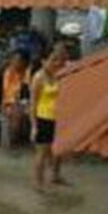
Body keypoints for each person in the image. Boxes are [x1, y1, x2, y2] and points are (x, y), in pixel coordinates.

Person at [29, 44, 67, 190]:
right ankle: (38, 182)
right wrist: (33, 126)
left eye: (58, 60)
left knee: (59, 150)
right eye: (53, 60)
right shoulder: (38, 77)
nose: (56, 63)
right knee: (42, 153)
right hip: (43, 118)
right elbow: (33, 104)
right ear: (43, 61)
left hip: (59, 117)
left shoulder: (60, 74)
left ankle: (55, 175)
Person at [0, 49, 31, 148]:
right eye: (14, 60)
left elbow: (27, 88)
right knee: (16, 114)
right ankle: (14, 139)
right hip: (10, 102)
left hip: (25, 101)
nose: (15, 62)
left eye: (18, 60)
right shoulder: (9, 72)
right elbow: (8, 91)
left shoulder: (27, 72)